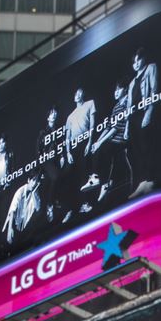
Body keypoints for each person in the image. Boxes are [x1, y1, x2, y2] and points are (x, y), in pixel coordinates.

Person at [89, 78, 133, 202]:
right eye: (115, 90)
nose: (116, 92)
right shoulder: (116, 107)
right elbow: (108, 126)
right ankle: (103, 182)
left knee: (104, 148)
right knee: (98, 149)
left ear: (125, 89)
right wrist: (97, 142)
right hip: (114, 140)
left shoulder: (126, 103)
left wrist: (100, 143)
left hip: (122, 140)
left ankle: (101, 181)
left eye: (119, 89)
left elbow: (115, 128)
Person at [125, 47, 157, 199]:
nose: (136, 64)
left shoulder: (151, 68)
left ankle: (150, 180)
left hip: (144, 113)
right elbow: (128, 106)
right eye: (134, 62)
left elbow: (154, 91)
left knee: (146, 146)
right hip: (133, 117)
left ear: (144, 58)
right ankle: (142, 181)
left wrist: (149, 112)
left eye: (139, 60)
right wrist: (126, 127)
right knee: (135, 150)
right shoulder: (132, 83)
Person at [64, 87, 96, 221]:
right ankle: (73, 207)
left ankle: (86, 203)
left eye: (80, 92)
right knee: (73, 177)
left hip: (85, 142)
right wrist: (68, 153)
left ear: (83, 94)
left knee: (85, 174)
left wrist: (89, 142)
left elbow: (92, 124)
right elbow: (67, 137)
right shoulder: (70, 116)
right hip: (74, 148)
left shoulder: (90, 104)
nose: (77, 95)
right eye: (75, 93)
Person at [2, 173, 43, 251]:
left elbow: (38, 209)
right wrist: (10, 229)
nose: (34, 183)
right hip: (13, 225)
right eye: (33, 180)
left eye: (36, 181)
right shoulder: (20, 191)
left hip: (24, 229)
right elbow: (12, 210)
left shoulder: (35, 193)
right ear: (28, 180)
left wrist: (34, 194)